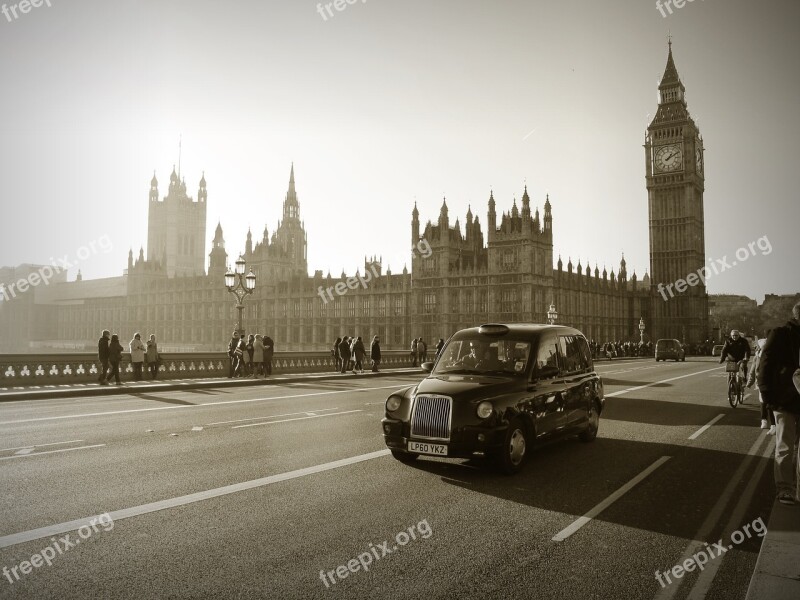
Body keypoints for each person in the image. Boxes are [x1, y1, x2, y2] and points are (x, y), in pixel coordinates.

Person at [758, 303, 800, 505]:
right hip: (785, 400)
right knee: (785, 446)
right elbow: (764, 365)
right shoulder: (781, 334)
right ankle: (785, 488)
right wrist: (768, 396)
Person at [748, 337, 775, 434]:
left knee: (767, 402)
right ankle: (766, 421)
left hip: (769, 383)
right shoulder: (757, 357)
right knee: (765, 402)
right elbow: (752, 371)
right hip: (762, 383)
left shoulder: (772, 356)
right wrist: (750, 382)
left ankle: (770, 423)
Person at [720, 329, 751, 397]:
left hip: (741, 358)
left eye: (736, 335)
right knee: (730, 373)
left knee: (743, 366)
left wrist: (746, 358)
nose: (734, 337)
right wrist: (722, 359)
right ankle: (731, 387)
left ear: (738, 335)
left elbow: (747, 350)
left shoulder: (743, 341)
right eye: (733, 335)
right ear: (731, 335)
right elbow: (724, 350)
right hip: (731, 359)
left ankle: (744, 379)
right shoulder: (728, 341)